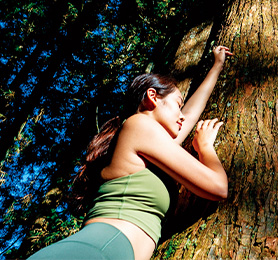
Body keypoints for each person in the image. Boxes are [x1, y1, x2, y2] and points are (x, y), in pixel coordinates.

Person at [28, 46, 233, 260]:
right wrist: (206, 147)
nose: (181, 116)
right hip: (97, 250)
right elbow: (218, 187)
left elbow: (189, 116)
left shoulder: (145, 142)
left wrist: (217, 66)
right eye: (177, 105)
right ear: (152, 97)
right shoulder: (138, 126)